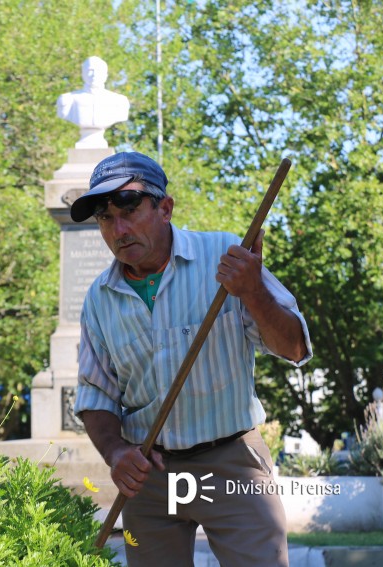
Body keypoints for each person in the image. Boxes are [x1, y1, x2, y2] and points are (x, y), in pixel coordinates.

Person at [71, 152, 312, 566]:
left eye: (129, 209)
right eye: (105, 218)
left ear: (165, 208)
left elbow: (294, 348)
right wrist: (115, 453)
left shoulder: (226, 256)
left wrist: (253, 291)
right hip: (150, 474)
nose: (119, 229)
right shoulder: (99, 299)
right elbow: (96, 396)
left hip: (234, 463)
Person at [56, 56, 129, 149]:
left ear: (105, 75)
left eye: (98, 71)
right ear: (83, 74)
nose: (94, 75)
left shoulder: (119, 101)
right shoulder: (68, 99)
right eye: (90, 70)